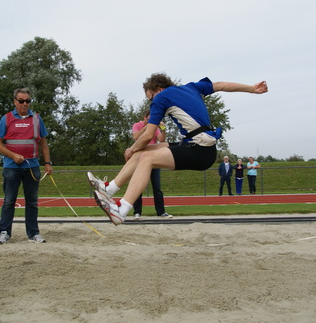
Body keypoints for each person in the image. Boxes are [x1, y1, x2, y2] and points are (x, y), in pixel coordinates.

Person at [88, 73, 268, 225]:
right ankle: (109, 189)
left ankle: (122, 209)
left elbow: (149, 134)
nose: (152, 102)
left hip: (200, 150)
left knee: (145, 158)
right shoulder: (191, 87)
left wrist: (131, 148)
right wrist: (251, 89)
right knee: (144, 152)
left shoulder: (161, 97)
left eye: (150, 97)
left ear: (157, 89)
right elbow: (220, 85)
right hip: (196, 145)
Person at [0, 88, 53, 244]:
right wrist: (13, 156)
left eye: (27, 101)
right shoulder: (6, 119)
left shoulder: (37, 119)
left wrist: (47, 163)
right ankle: (4, 233)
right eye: (21, 101)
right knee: (9, 201)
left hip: (32, 167)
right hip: (11, 167)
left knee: (32, 202)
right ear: (15, 101)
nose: (24, 104)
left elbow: (44, 144)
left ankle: (33, 233)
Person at [131, 110, 172, 219]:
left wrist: (163, 129)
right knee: (138, 186)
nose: (151, 121)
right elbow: (135, 137)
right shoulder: (137, 125)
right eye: (149, 119)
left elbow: (162, 140)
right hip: (140, 159)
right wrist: (147, 127)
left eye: (152, 119)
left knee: (157, 187)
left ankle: (161, 212)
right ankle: (137, 212)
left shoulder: (155, 128)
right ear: (144, 118)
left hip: (153, 158)